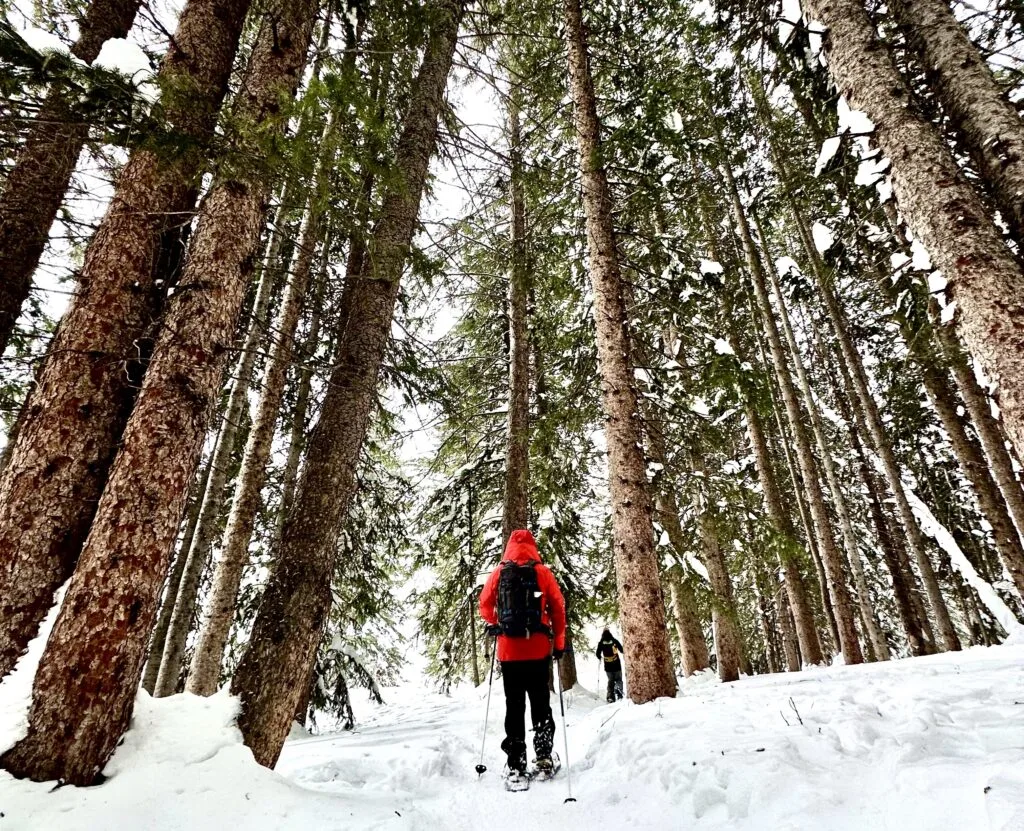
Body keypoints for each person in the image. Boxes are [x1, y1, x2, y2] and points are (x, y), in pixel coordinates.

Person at [479, 528, 567, 786]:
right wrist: (558, 643)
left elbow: (484, 605)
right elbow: (558, 608)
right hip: (538, 650)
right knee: (540, 703)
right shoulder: (542, 573)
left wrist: (500, 624)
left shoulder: (499, 573)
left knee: (514, 707)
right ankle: (543, 757)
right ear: (532, 546)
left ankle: (516, 764)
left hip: (509, 653)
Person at [595, 627, 624, 702]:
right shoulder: (614, 641)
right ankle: (619, 692)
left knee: (610, 680)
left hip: (608, 665)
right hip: (616, 663)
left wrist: (600, 657)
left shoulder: (601, 642)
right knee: (618, 679)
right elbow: (622, 650)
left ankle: (610, 696)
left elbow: (597, 653)